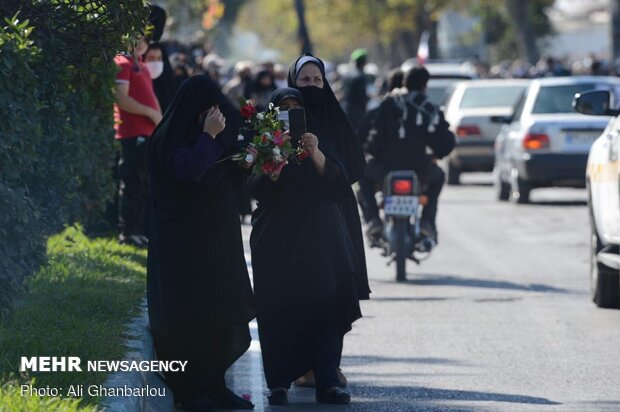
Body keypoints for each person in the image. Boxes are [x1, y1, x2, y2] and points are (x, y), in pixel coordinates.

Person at [147, 75, 256, 411]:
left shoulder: (215, 136)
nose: (214, 114)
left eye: (216, 108)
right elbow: (190, 170)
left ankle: (216, 384)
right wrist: (208, 136)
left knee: (220, 308)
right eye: (207, 109)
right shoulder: (169, 137)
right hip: (181, 246)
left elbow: (225, 178)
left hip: (218, 241)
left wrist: (247, 161)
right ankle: (189, 388)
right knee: (187, 316)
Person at [249, 85, 363, 406]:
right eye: (282, 109)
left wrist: (315, 153)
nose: (288, 114)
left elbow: (339, 183)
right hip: (277, 240)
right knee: (278, 309)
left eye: (294, 108)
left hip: (320, 238)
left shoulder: (318, 139)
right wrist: (274, 160)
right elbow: (253, 187)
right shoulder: (264, 142)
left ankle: (327, 381)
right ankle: (278, 383)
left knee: (324, 306)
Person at [358, 65, 456, 244]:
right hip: (421, 169)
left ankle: (373, 220)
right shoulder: (429, 109)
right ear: (425, 86)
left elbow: (373, 139)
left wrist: (372, 152)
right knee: (439, 176)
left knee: (362, 177)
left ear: (404, 83)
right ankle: (427, 222)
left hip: (384, 168)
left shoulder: (387, 105)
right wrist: (436, 154)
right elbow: (448, 140)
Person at [114, 35, 162, 248]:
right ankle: (127, 233)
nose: (142, 42)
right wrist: (151, 113)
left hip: (148, 133)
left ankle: (136, 231)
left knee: (141, 184)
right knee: (132, 183)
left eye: (145, 39)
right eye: (137, 38)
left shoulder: (141, 64)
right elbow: (122, 99)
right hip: (132, 134)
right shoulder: (122, 63)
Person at [341, 48, 369, 132]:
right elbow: (361, 97)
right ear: (363, 62)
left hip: (346, 108)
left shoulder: (346, 75)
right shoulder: (360, 76)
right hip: (357, 112)